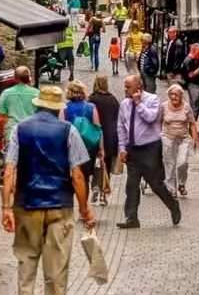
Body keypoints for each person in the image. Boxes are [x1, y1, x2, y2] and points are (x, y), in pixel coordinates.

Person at [2, 84, 95, 295]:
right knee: (57, 263)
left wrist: (6, 207)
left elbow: (10, 169)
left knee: (26, 256)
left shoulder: (20, 129)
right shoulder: (68, 131)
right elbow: (77, 174)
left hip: (26, 202)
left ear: (37, 105)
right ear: (57, 109)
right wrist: (85, 209)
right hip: (59, 204)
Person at [116, 75, 181, 230]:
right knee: (131, 185)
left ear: (138, 88)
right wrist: (123, 148)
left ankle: (172, 205)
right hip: (133, 150)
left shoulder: (152, 100)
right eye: (125, 86)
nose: (125, 89)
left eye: (128, 87)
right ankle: (131, 218)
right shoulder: (124, 104)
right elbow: (121, 127)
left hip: (150, 148)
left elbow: (151, 118)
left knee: (155, 184)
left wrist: (138, 104)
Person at [64, 81, 103, 198]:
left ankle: (72, 201)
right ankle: (83, 206)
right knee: (84, 177)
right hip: (88, 147)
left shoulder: (64, 108)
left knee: (70, 175)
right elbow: (98, 129)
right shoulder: (91, 107)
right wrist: (101, 149)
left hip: (70, 146)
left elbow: (61, 128)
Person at [160, 82, 199, 198]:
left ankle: (181, 184)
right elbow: (157, 122)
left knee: (182, 163)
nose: (173, 97)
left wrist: (196, 139)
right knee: (169, 164)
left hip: (183, 138)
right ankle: (171, 189)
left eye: (176, 94)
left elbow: (192, 124)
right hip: (168, 137)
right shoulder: (164, 106)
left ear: (181, 95)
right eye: (171, 94)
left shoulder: (186, 107)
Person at [89, 74, 120, 204]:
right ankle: (103, 194)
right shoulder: (113, 100)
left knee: (95, 163)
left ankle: (95, 186)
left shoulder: (92, 99)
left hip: (95, 136)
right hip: (111, 137)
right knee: (106, 164)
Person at [0, 66, 38, 130]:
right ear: (29, 78)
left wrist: (0, 133)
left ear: (14, 78)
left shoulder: (6, 93)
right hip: (31, 131)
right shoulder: (37, 93)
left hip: (11, 131)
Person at [182, 42, 199, 119]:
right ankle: (191, 125)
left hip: (197, 84)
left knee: (196, 105)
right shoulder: (188, 60)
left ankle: (193, 125)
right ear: (194, 51)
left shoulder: (196, 59)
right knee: (194, 105)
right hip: (192, 84)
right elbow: (190, 75)